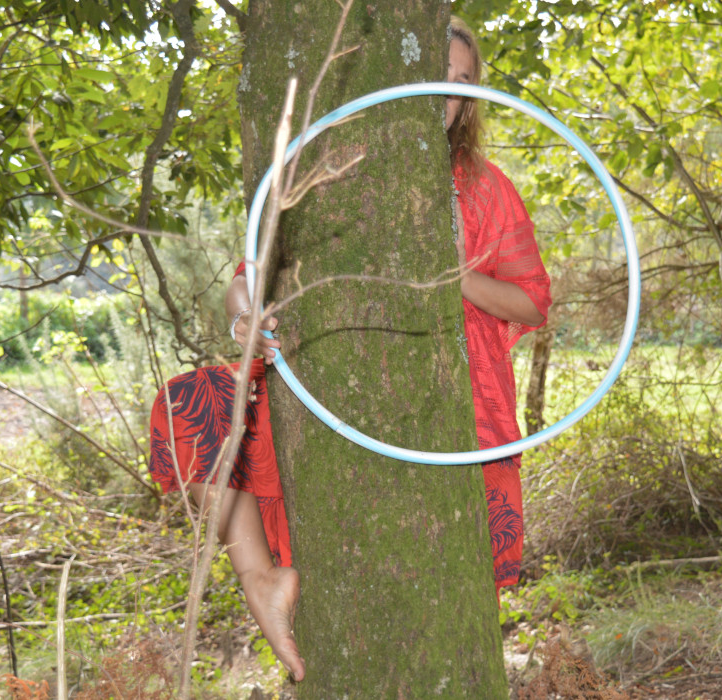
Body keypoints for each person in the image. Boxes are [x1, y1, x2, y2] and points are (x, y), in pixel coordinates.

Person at [148, 17, 550, 682]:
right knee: (193, 403)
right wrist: (244, 314)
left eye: (461, 81)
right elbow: (247, 278)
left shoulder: (486, 186)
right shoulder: (336, 169)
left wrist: (454, 272)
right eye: (433, 73)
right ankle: (259, 580)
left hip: (457, 396)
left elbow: (532, 301)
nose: (444, 91)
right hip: (323, 380)